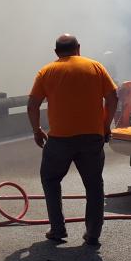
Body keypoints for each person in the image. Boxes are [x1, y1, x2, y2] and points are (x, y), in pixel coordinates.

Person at [27, 34, 119, 247]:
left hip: (60, 139)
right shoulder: (95, 67)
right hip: (92, 137)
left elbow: (32, 106)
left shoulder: (46, 71)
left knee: (50, 179)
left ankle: (58, 229)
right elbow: (113, 97)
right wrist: (105, 126)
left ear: (56, 52)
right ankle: (93, 233)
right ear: (78, 48)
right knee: (94, 184)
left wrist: (37, 130)